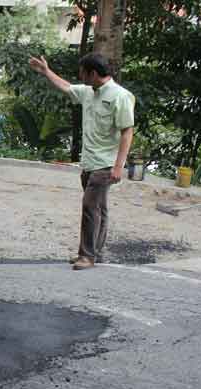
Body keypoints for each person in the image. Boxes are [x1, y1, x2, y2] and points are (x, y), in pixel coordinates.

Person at [29, 53, 135, 270]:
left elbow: (127, 132)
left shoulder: (120, 96)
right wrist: (46, 71)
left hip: (105, 164)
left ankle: (87, 256)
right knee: (99, 208)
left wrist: (118, 166)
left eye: (82, 72)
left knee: (89, 207)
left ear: (93, 73)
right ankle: (97, 251)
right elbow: (67, 87)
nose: (80, 76)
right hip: (88, 162)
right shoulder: (88, 92)